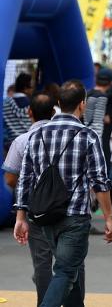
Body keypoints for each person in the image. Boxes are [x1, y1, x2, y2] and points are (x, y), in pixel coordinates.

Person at [14, 80, 112, 307]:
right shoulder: (88, 136)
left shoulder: (36, 135)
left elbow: (25, 179)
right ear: (83, 104)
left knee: (70, 267)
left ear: (59, 103)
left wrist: (21, 217)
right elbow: (99, 181)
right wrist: (108, 217)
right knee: (65, 271)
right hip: (75, 216)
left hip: (44, 216)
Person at [2, 92, 55, 305]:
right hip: (68, 207)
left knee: (42, 262)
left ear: (29, 112)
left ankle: (45, 302)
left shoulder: (22, 140)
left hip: (35, 207)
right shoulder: (71, 137)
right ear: (53, 112)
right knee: (69, 261)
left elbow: (10, 178)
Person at [3, 72, 33, 151]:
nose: (33, 89)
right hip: (28, 145)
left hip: (10, 147)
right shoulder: (33, 105)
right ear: (26, 88)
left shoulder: (4, 103)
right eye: (31, 86)